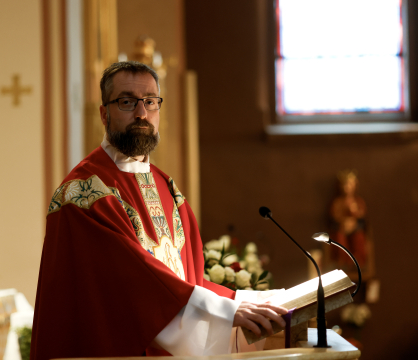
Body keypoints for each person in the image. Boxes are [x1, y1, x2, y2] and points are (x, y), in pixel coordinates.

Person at [30, 61, 287, 359]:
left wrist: (247, 300)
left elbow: (185, 284)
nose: (141, 113)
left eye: (150, 102)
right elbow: (134, 283)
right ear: (104, 114)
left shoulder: (168, 189)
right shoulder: (84, 195)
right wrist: (227, 309)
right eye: (127, 102)